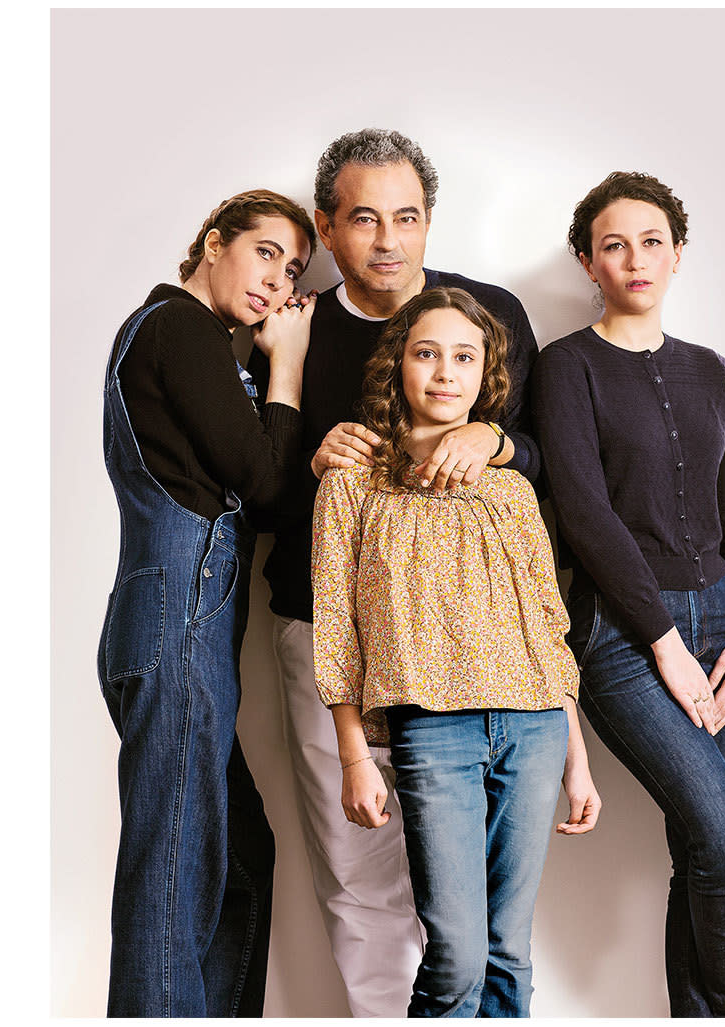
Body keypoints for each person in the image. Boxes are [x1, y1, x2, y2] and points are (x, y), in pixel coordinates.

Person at [247, 128, 541, 1016]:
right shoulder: (295, 330)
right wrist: (305, 457)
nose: (387, 240)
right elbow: (257, 498)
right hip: (332, 631)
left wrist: (496, 438)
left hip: (479, 650)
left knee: (485, 908)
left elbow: (541, 468)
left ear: (428, 223)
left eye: (406, 217)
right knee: (362, 864)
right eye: (364, 219)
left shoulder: (486, 318)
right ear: (326, 230)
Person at [311, 286, 600, 1018]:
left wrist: (578, 756)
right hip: (431, 729)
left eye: (464, 356)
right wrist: (352, 756)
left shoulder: (510, 493)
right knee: (459, 954)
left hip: (533, 725)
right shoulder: (351, 484)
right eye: (428, 353)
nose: (446, 372)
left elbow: (547, 626)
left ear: (485, 375)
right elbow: (337, 629)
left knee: (511, 952)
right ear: (398, 367)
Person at [532, 172, 725, 1017]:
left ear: (677, 254)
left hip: (723, 630)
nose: (635, 258)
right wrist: (667, 642)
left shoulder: (713, 370)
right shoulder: (566, 369)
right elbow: (588, 518)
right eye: (613, 244)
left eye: (652, 241)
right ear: (588, 261)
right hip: (623, 640)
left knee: (704, 850)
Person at [97, 189, 317, 1017]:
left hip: (165, 618)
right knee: (173, 868)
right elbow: (264, 488)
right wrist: (286, 366)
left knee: (241, 852)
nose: (276, 281)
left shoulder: (184, 342)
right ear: (213, 244)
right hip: (177, 624)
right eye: (265, 253)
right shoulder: (178, 327)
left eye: (293, 270)